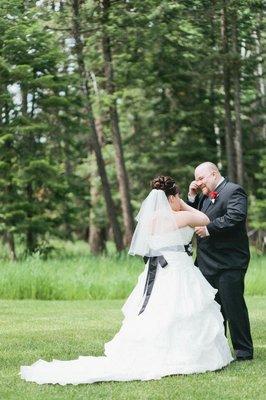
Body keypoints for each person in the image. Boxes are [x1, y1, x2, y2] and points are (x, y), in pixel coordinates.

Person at [20, 176, 232, 385]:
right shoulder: (181, 217)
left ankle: (150, 352)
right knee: (181, 310)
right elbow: (205, 220)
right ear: (171, 197)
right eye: (176, 196)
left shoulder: (149, 220)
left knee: (157, 312)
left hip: (156, 272)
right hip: (177, 269)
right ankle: (183, 356)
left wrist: (176, 201)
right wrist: (184, 203)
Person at [187, 162, 253, 361]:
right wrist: (191, 196)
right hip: (207, 262)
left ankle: (243, 351)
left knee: (233, 306)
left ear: (213, 174)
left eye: (201, 178)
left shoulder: (234, 191)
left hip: (230, 261)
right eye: (196, 179)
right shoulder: (203, 197)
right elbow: (190, 216)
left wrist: (209, 229)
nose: (198, 183)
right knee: (213, 308)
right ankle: (219, 349)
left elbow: (235, 217)